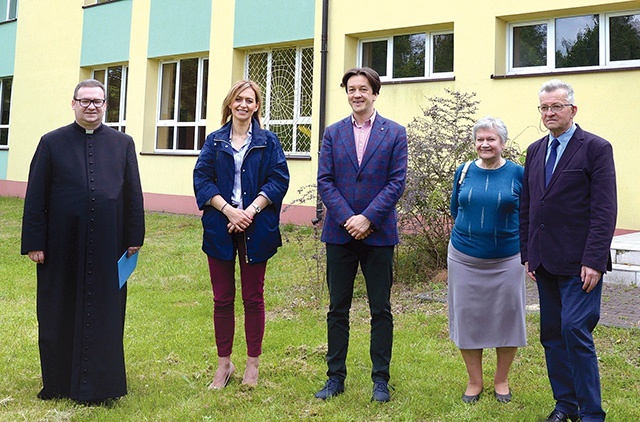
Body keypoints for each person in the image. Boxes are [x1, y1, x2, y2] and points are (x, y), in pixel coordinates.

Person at [21, 79, 145, 403]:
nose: (92, 106)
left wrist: (135, 237)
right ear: (73, 103)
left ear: (106, 105)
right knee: (56, 311)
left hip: (109, 245)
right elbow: (35, 197)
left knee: (107, 314)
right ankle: (58, 383)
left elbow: (133, 193)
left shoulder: (123, 144)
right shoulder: (51, 143)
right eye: (85, 101)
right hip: (62, 246)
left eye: (98, 101)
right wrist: (35, 241)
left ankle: (105, 387)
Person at [520, 79, 617, 422]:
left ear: (572, 110)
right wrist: (527, 253)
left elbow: (604, 210)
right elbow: (528, 205)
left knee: (575, 329)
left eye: (556, 106)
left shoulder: (595, 148)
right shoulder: (534, 150)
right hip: (544, 261)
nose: (549, 113)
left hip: (580, 264)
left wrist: (594, 259)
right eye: (544, 107)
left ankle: (591, 413)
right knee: (552, 335)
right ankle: (566, 405)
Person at [315, 67, 407, 403]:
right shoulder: (332, 133)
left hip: (379, 234)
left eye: (363, 89)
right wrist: (347, 219)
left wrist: (367, 218)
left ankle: (381, 380)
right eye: (351, 89)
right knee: (337, 309)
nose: (357, 94)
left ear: (374, 93)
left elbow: (396, 182)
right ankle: (335, 377)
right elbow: (325, 180)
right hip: (339, 235)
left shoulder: (394, 133)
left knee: (380, 309)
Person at [193, 80, 289, 390]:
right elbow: (202, 180)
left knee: (253, 298)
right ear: (230, 104)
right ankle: (224, 365)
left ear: (257, 106)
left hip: (256, 226)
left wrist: (249, 212)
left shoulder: (268, 141)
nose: (243, 105)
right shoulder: (215, 141)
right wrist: (230, 212)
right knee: (222, 299)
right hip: (221, 226)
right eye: (238, 99)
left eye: (249, 100)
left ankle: (252, 364)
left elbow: (278, 180)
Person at [448, 116, 526, 404]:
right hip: (464, 257)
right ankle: (474, 381)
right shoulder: (464, 170)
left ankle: (501, 380)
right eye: (480, 139)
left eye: (491, 139)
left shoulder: (518, 173)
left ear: (502, 143)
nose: (485, 144)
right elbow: (456, 208)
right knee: (468, 317)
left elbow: (527, 214)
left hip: (507, 258)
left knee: (508, 318)